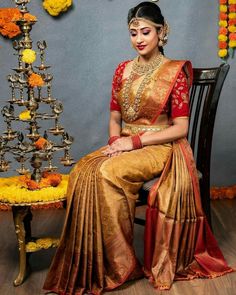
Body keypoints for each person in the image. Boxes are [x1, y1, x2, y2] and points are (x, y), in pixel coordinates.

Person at [43, 2, 233, 294]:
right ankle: (93, 262)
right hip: (125, 143)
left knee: (107, 174)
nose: (139, 39)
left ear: (161, 31)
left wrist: (132, 142)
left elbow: (180, 129)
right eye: (133, 33)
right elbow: (115, 117)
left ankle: (120, 264)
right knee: (83, 170)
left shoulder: (174, 72)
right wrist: (114, 142)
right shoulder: (123, 70)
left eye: (146, 31)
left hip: (161, 147)